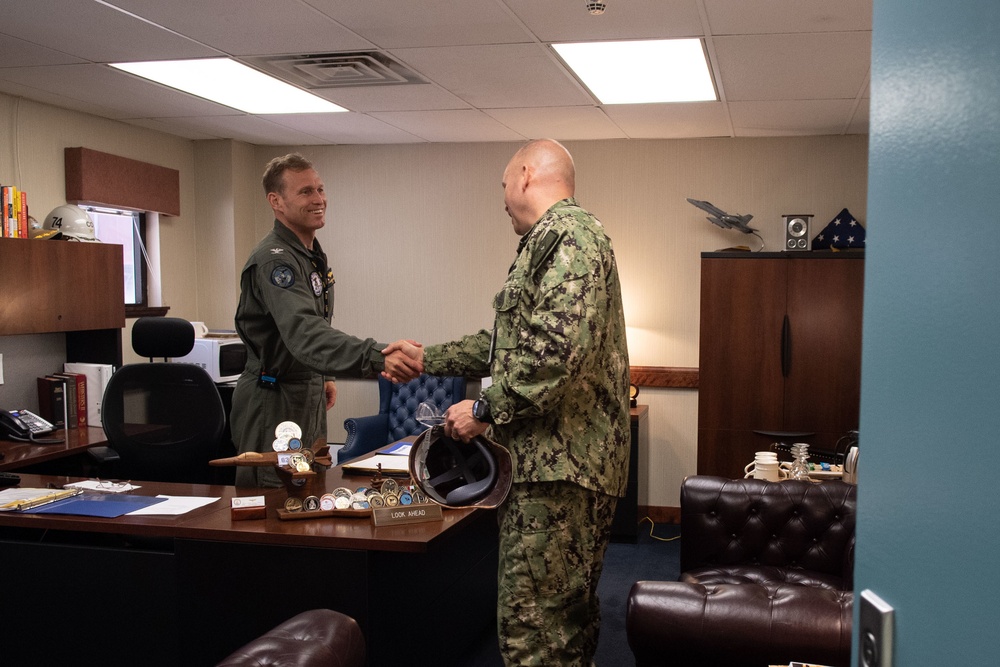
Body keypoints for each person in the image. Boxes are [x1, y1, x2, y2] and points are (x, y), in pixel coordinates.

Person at [385, 139, 630, 665]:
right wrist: (428, 357)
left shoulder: (568, 237)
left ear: (524, 175)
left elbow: (555, 356)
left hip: (559, 473)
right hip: (554, 470)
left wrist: (481, 410)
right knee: (562, 627)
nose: (501, 200)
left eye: (501, 185)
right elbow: (505, 347)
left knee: (534, 634)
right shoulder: (553, 241)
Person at [231, 153, 423, 487]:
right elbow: (304, 332)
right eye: (306, 192)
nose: (319, 199)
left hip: (307, 392)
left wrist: (324, 373)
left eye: (320, 189)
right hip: (273, 399)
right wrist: (379, 356)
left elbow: (315, 324)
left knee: (311, 487)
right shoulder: (275, 261)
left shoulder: (309, 255)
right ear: (276, 201)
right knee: (275, 499)